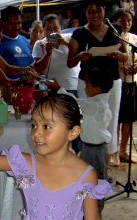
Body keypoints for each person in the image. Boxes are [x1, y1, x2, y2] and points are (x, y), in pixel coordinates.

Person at [67, 0, 122, 179]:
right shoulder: (79, 34)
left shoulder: (115, 30)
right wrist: (81, 56)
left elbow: (126, 56)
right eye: (90, 11)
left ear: (104, 11)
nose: (95, 14)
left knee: (111, 121)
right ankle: (85, 165)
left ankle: (105, 164)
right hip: (88, 84)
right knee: (88, 122)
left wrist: (118, 56)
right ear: (86, 13)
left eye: (98, 10)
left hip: (112, 82)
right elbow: (70, 61)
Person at [57, 66, 113, 210]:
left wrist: (59, 88)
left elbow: (74, 102)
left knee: (94, 182)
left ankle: (94, 211)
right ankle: (85, 208)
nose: (86, 89)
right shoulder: (96, 103)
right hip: (89, 148)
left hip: (95, 151)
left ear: (98, 87)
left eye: (88, 85)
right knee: (85, 179)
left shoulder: (96, 105)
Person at [33, 14, 80, 96]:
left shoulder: (69, 38)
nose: (53, 32)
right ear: (43, 30)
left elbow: (80, 53)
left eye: (56, 28)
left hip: (75, 86)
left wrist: (65, 43)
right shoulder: (40, 44)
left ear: (60, 28)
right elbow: (38, 68)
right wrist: (48, 54)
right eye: (48, 29)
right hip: (54, 88)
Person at [113, 9, 137, 164]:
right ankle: (113, 152)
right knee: (116, 118)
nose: (126, 24)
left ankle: (123, 151)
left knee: (128, 119)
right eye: (122, 20)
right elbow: (111, 57)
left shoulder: (134, 38)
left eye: (128, 20)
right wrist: (121, 68)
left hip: (132, 82)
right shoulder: (113, 37)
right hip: (118, 81)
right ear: (116, 21)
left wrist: (135, 67)